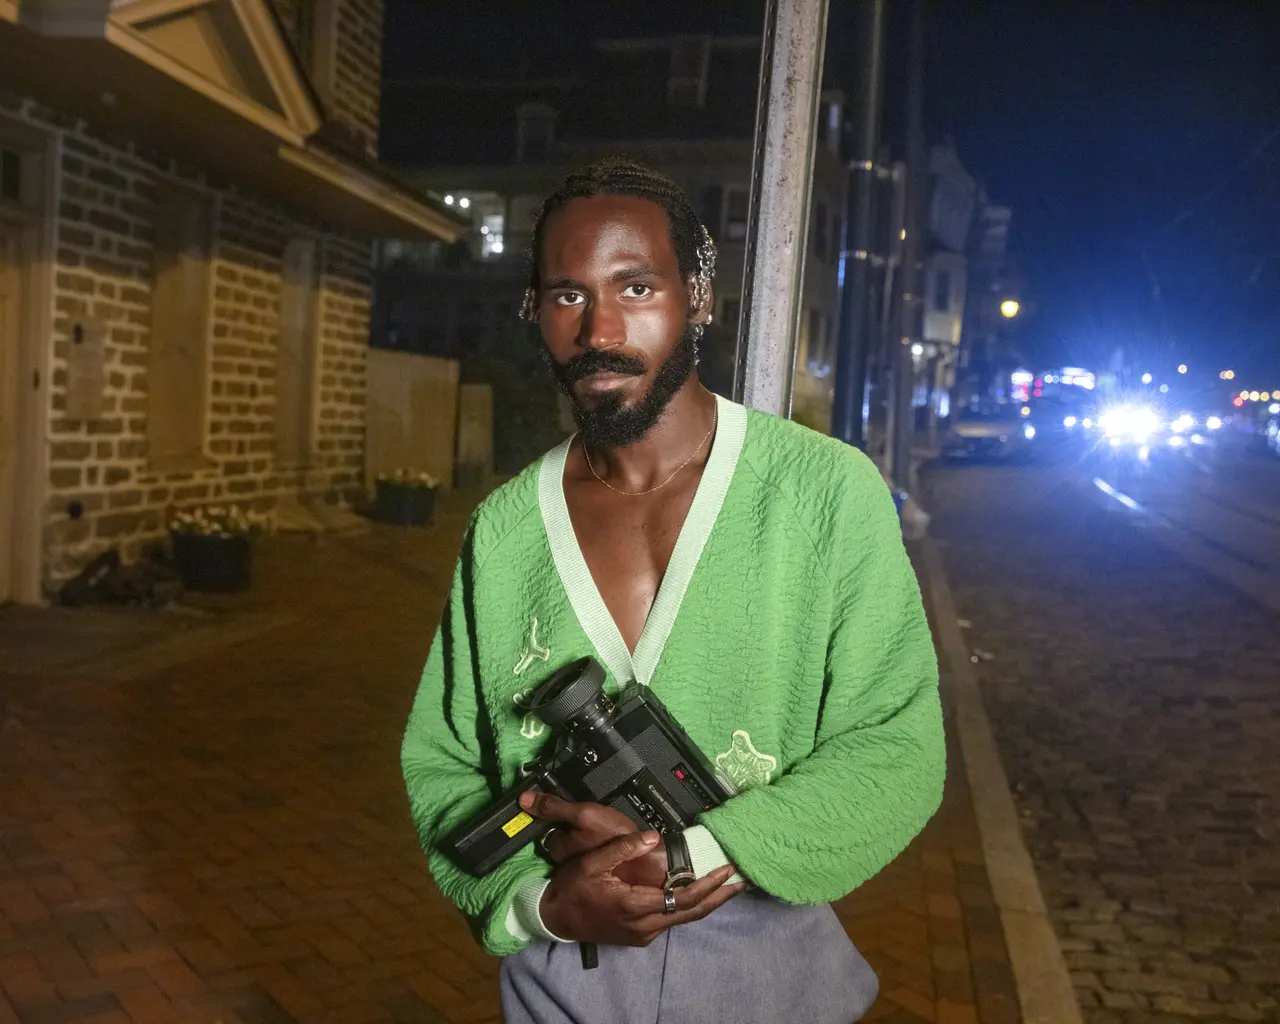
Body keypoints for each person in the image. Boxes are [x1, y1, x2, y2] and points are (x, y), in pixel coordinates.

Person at [402, 160, 945, 1024]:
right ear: (535, 312)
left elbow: (896, 746)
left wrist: (695, 852)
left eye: (636, 286)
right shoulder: (504, 533)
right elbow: (444, 766)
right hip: (562, 991)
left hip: (776, 989)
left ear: (697, 296)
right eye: (566, 295)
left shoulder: (824, 493)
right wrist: (539, 905)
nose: (599, 328)